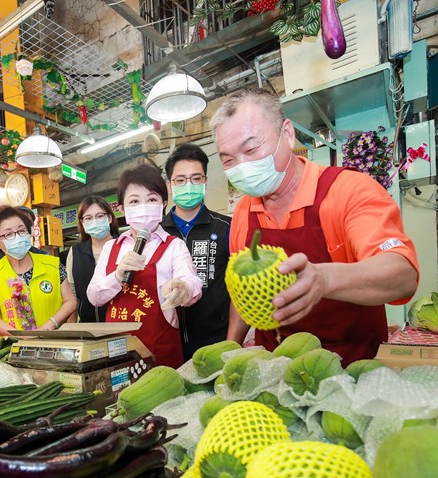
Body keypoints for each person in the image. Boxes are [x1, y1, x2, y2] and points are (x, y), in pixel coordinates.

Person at [213, 88, 419, 364]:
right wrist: (229, 350)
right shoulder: (243, 212)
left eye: (251, 149)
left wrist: (324, 279)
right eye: (228, 159)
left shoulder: (348, 191)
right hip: (276, 371)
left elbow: (402, 275)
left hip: (351, 364)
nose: (242, 166)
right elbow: (243, 292)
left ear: (287, 134)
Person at [87, 164, 202, 368]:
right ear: (121, 208)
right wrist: (117, 276)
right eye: (134, 201)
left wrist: (183, 289)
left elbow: (191, 281)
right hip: (117, 351)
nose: (143, 206)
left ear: (163, 204)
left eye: (151, 199)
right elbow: (94, 296)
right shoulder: (110, 247)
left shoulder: (174, 245)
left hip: (160, 350)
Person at [160, 143, 233, 360]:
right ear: (170, 185)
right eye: (180, 180)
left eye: (196, 178)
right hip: (166, 341)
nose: (188, 185)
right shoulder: (157, 233)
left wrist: (232, 342)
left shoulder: (227, 227)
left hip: (216, 341)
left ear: (205, 182)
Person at [0, 206, 76, 336]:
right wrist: (21, 335)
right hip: (13, 348)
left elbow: (70, 301)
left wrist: (49, 326)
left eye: (21, 231)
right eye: (8, 234)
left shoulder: (52, 264)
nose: (17, 237)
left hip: (54, 343)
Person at [66, 196, 120, 323]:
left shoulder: (125, 246)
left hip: (122, 324)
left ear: (110, 218)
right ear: (82, 223)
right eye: (88, 218)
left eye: (100, 216)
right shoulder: (76, 252)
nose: (94, 221)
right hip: (89, 327)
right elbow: (72, 296)